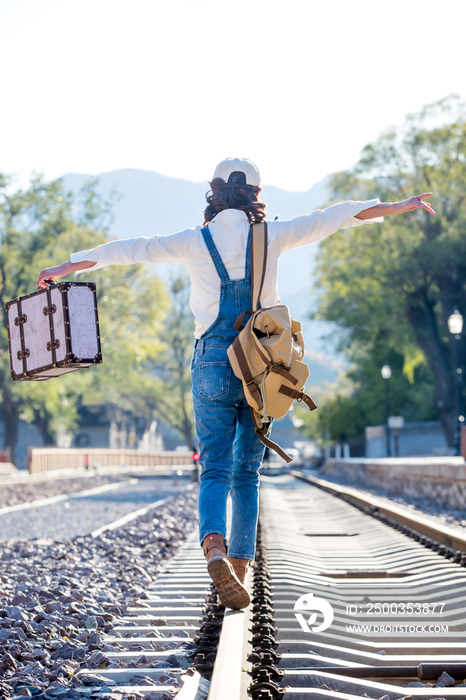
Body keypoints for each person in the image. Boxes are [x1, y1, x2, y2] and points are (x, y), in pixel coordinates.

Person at [36, 157, 435, 609]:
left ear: (215, 192)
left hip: (210, 361)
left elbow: (131, 248)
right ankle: (239, 573)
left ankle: (214, 549)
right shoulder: (275, 235)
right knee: (248, 473)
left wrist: (65, 268)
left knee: (215, 468)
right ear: (255, 195)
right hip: (260, 366)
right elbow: (337, 217)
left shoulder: (192, 241)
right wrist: (400, 206)